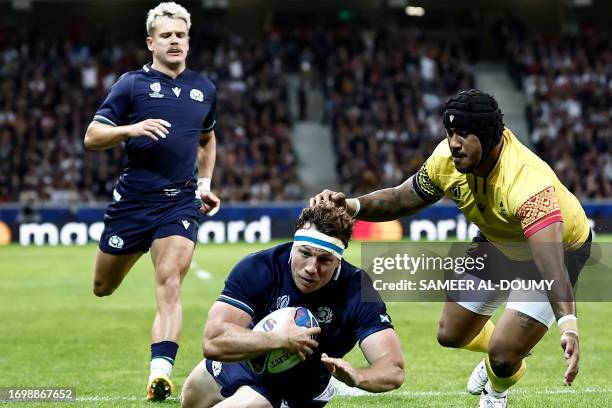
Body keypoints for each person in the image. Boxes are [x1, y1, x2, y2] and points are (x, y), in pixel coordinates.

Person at [311, 89, 591, 407]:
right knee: (451, 333)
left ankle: (497, 389)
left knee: (501, 356)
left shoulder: (526, 183)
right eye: (449, 132)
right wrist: (351, 205)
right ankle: (510, 354)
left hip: (556, 252)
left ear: (489, 138)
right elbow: (403, 198)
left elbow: (551, 265)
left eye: (463, 134)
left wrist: (569, 326)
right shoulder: (448, 159)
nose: (454, 143)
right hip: (499, 243)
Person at [83, 1, 221, 401]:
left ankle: (159, 374)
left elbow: (208, 140)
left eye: (180, 35)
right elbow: (91, 137)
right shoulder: (130, 85)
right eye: (166, 35)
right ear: (151, 42)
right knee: (102, 286)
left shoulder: (204, 89)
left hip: (178, 203)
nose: (174, 41)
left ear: (189, 40)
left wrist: (204, 184)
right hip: (132, 205)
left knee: (170, 282)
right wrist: (130, 128)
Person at [181, 204, 404, 408]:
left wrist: (359, 376)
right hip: (244, 361)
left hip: (295, 389)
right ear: (293, 246)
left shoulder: (357, 289)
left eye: (324, 260)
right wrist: (279, 339)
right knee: (190, 398)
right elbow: (212, 341)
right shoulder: (261, 267)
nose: (310, 267)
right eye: (304, 253)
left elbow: (393, 368)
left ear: (339, 260)